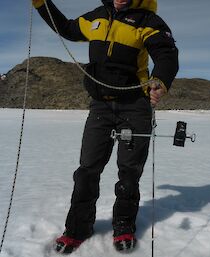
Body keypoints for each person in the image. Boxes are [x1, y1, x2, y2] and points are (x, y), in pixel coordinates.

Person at [32, 0, 178, 254]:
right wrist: (42, 5)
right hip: (101, 106)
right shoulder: (96, 17)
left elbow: (167, 54)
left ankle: (124, 225)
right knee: (87, 169)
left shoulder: (148, 21)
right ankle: (78, 229)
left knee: (129, 172)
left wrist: (161, 80)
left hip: (135, 106)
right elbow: (66, 27)